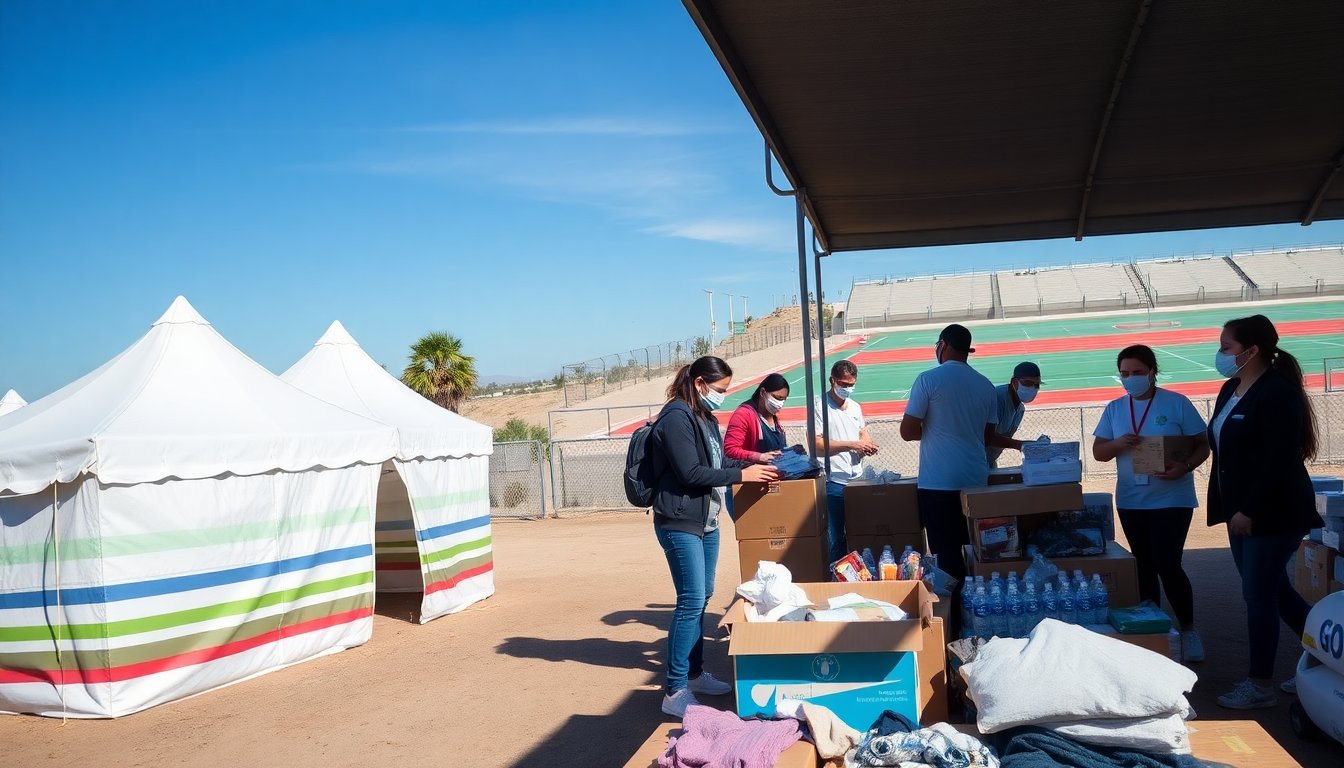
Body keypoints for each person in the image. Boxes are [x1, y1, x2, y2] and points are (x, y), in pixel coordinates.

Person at [647, 356, 779, 718]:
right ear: (701, 383)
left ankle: (693, 674)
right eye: (719, 390)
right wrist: (742, 478)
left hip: (705, 521)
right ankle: (674, 690)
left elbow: (717, 464)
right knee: (690, 600)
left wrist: (750, 466)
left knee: (702, 597)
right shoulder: (676, 416)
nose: (723, 396)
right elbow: (690, 472)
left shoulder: (704, 417)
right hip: (679, 521)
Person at [1205, 315, 1322, 710]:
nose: (1220, 355)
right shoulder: (1230, 389)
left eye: (1226, 348)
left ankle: (1259, 686)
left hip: (1273, 513)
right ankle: (1329, 656)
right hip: (1240, 513)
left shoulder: (1277, 392)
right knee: (1275, 590)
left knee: (1258, 596)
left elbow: (1280, 459)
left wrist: (1251, 509)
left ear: (1251, 351)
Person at [1091, 345, 1210, 663]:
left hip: (1172, 498)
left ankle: (1188, 629)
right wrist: (1118, 443)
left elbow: (1202, 443)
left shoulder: (1176, 403)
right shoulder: (1115, 408)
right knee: (1143, 565)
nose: (1131, 379)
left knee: (1168, 564)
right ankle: (1155, 629)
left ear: (1153, 372)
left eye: (1138, 372)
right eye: (1125, 373)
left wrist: (1184, 467)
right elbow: (1099, 452)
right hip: (1132, 500)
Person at [900, 324, 997, 583]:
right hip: (976, 479)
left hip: (938, 483)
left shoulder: (928, 379)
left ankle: (952, 612)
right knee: (978, 550)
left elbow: (907, 431)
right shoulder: (986, 385)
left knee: (946, 555)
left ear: (943, 346)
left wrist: (935, 431)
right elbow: (988, 436)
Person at [814, 360, 878, 565]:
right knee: (836, 538)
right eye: (843, 384)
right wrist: (853, 445)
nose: (847, 389)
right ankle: (837, 577)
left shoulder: (855, 407)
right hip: (834, 481)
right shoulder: (820, 406)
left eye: (851, 385)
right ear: (832, 380)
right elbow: (817, 445)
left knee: (860, 532)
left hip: (857, 479)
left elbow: (862, 432)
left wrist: (867, 445)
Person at [985, 361, 1043, 468]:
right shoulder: (998, 398)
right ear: (1015, 382)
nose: (1033, 388)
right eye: (1028, 383)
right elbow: (988, 437)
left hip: (989, 461)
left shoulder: (1020, 409)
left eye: (1037, 385)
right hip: (975, 460)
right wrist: (1022, 445)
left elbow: (1004, 438)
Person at [724, 372, 790, 464]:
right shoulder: (743, 415)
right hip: (752, 473)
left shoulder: (773, 418)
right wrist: (759, 457)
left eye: (783, 399)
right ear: (763, 392)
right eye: (777, 398)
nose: (780, 403)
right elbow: (730, 450)